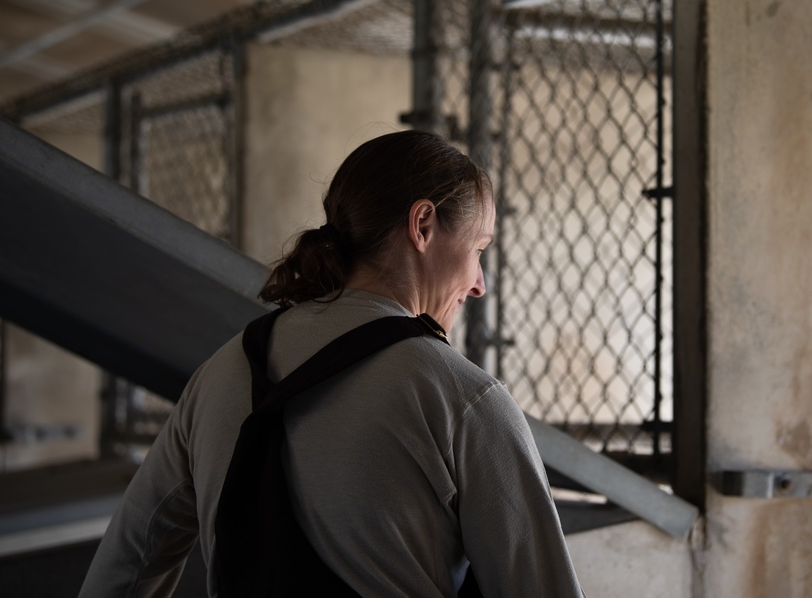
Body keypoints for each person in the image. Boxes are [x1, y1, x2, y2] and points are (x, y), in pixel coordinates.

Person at [80, 130, 584, 597]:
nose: (480, 283)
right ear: (423, 225)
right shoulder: (463, 398)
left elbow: (127, 566)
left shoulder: (223, 369)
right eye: (478, 248)